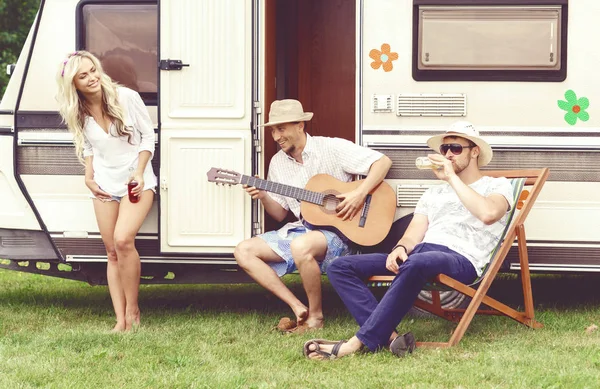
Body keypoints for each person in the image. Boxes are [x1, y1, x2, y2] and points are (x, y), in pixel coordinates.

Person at [303, 121, 514, 359]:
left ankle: (357, 343)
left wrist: (452, 178)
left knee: (417, 262)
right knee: (339, 266)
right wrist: (401, 247)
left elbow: (488, 214)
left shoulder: (497, 185)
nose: (448, 155)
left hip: (461, 259)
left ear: (474, 151)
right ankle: (390, 338)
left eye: (455, 148)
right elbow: (414, 232)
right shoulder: (432, 193)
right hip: (421, 255)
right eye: (444, 150)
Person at [234, 99, 392, 333]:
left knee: (300, 246)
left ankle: (316, 317)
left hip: (342, 233)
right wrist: (263, 195)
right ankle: (298, 307)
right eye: (273, 131)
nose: (276, 137)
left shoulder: (331, 148)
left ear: (300, 125)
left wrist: (359, 194)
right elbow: (279, 214)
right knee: (243, 251)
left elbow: (383, 162)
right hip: (303, 230)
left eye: (281, 128)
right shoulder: (278, 162)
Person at [56, 51, 157, 332]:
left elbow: (148, 136)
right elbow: (88, 146)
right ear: (73, 84)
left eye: (93, 71)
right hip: (103, 183)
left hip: (136, 180)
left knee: (124, 240)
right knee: (111, 251)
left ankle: (134, 312)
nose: (92, 78)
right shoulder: (77, 111)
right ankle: (120, 319)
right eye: (83, 75)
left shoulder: (125, 98)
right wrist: (88, 176)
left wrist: (139, 171)